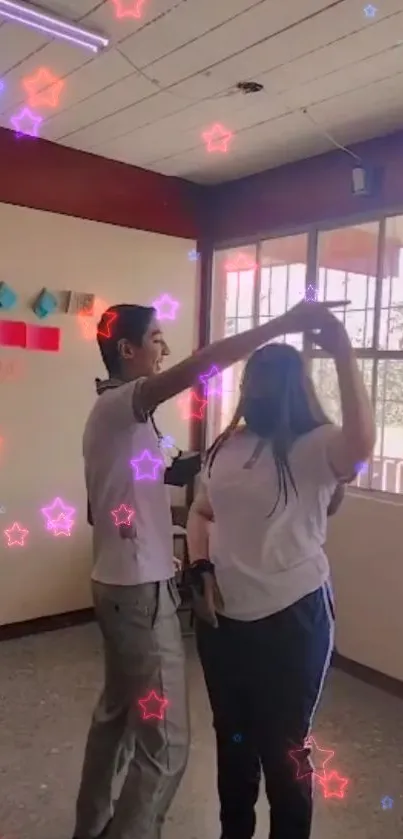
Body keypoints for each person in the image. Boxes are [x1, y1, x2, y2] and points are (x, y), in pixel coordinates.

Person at [72, 299, 343, 839]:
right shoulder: (123, 405)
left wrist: (236, 453)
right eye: (155, 338)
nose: (164, 348)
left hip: (121, 583)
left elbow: (144, 486)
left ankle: (91, 827)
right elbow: (204, 363)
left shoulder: (123, 421)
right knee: (167, 749)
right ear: (126, 350)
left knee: (116, 722)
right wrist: (281, 325)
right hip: (138, 592)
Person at [186, 307, 375, 839]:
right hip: (223, 623)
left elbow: (361, 443)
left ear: (290, 388)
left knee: (285, 752)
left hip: (292, 620)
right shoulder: (227, 446)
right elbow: (202, 512)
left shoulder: (316, 448)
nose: (255, 392)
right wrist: (199, 562)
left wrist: (340, 348)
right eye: (252, 382)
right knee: (234, 743)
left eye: (267, 383)